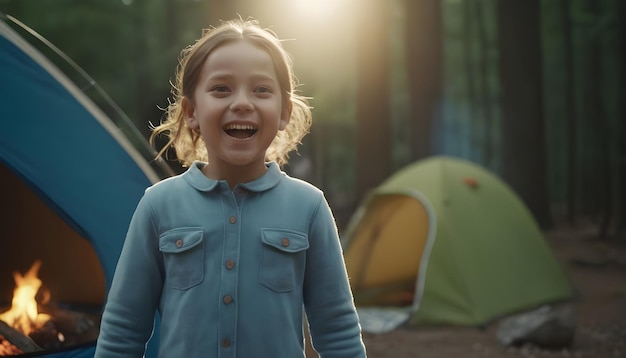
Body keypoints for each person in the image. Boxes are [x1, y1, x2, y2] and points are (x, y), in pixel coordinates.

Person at [94, 18, 367, 358]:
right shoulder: (158, 206)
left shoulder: (308, 206)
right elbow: (123, 330)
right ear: (192, 112)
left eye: (261, 90)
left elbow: (338, 331)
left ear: (284, 112)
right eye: (221, 88)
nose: (242, 102)